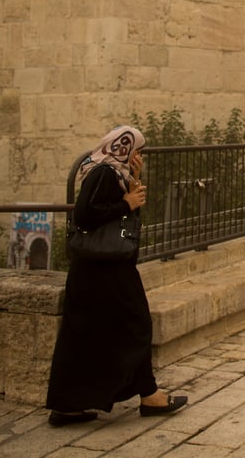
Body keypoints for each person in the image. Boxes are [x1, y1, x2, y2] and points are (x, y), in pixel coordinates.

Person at [46, 126, 188, 427]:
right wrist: (127, 203)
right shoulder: (104, 173)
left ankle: (69, 406)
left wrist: (134, 184)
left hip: (99, 267)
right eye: (137, 150)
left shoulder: (116, 173)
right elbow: (84, 215)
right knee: (136, 323)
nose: (139, 156)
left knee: (92, 332)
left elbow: (115, 210)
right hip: (103, 268)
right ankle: (148, 395)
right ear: (122, 148)